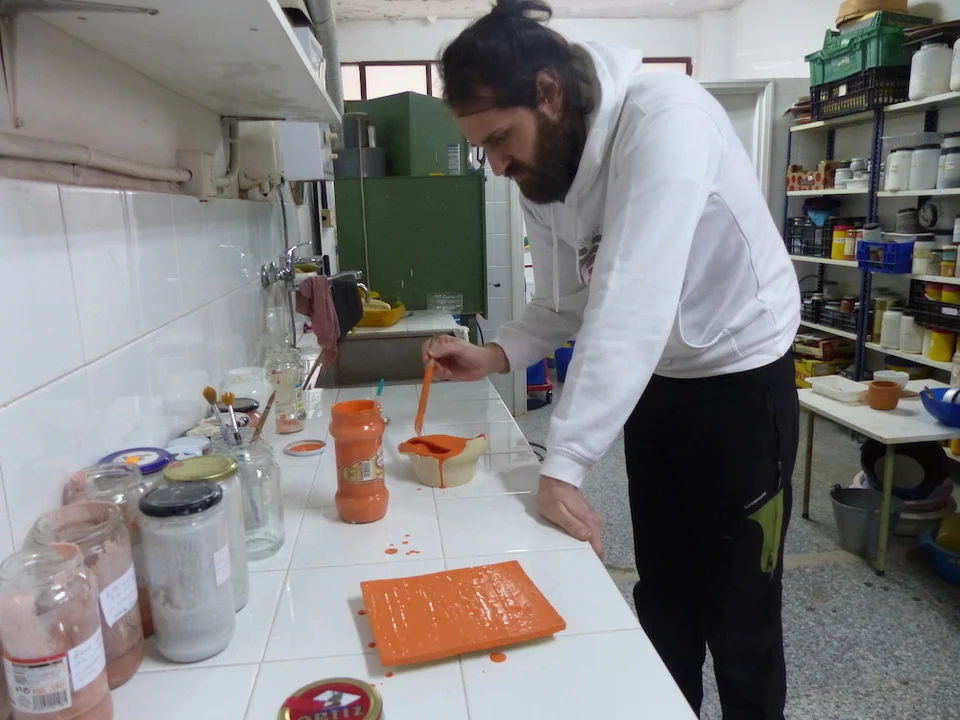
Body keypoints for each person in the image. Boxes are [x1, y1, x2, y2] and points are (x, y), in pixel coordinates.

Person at [422, 2, 800, 719]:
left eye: (500, 138)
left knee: (740, 605)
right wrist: (497, 352)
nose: (497, 164)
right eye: (483, 148)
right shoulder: (547, 171)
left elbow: (632, 300)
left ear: (548, 91)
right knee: (665, 591)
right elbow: (567, 301)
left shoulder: (667, 121)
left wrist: (563, 464)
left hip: (740, 385)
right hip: (656, 385)